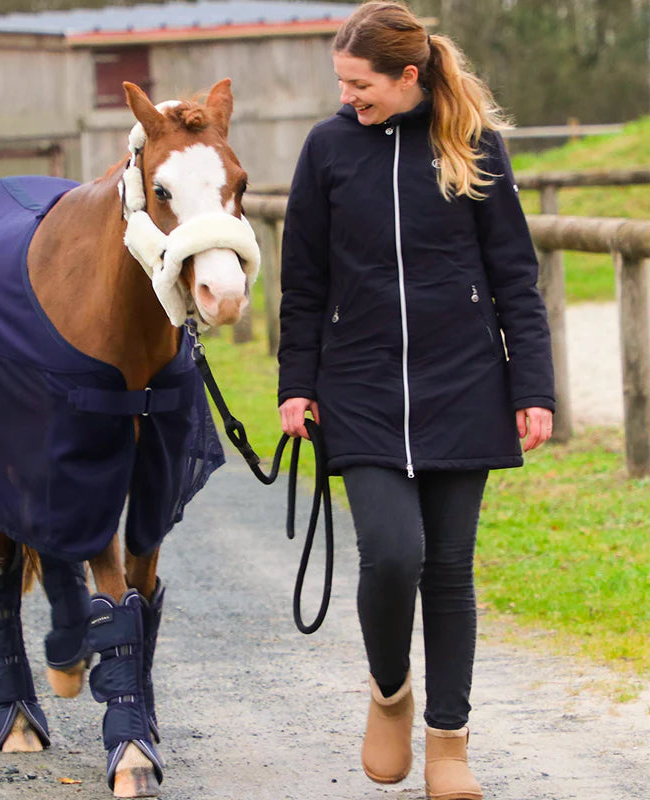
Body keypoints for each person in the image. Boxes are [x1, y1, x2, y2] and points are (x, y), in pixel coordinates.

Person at [277, 3, 554, 799]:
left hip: (464, 385)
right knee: (392, 554)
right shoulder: (327, 149)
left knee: (449, 570)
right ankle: (390, 691)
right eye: (341, 82)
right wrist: (298, 383)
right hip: (358, 388)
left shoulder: (472, 147)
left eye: (360, 84)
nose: (348, 97)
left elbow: (514, 280)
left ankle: (449, 743)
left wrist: (531, 387)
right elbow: (304, 285)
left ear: (407, 77)